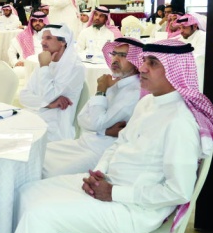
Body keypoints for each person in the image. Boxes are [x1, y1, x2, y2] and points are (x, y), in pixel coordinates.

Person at [0, 39, 213, 233]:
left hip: (135, 210)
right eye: (144, 60)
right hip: (109, 185)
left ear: (176, 71)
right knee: (26, 192)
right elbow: (119, 144)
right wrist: (99, 172)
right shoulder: (147, 102)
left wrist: (114, 193)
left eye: (153, 63)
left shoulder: (180, 122)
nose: (143, 67)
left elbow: (179, 191)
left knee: (39, 216)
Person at [42, 38, 143, 178]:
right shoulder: (113, 83)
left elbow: (95, 122)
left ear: (136, 62)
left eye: (123, 55)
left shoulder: (134, 92)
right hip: (83, 142)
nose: (115, 59)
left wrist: (101, 90)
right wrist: (104, 130)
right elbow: (82, 118)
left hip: (101, 152)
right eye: (114, 54)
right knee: (38, 153)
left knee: (48, 172)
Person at [19, 24, 85, 142]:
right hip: (34, 115)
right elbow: (23, 96)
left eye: (48, 38)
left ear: (63, 42)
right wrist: (48, 104)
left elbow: (48, 96)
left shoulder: (75, 67)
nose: (42, 42)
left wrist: (45, 67)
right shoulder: (44, 61)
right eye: (42, 38)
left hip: (55, 126)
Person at [7, 11, 49, 77]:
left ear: (45, 22)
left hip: (46, 67)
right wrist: (15, 62)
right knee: (16, 72)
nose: (37, 23)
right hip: (26, 66)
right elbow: (11, 51)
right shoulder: (23, 36)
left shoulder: (51, 36)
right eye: (34, 21)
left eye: (40, 21)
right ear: (31, 22)